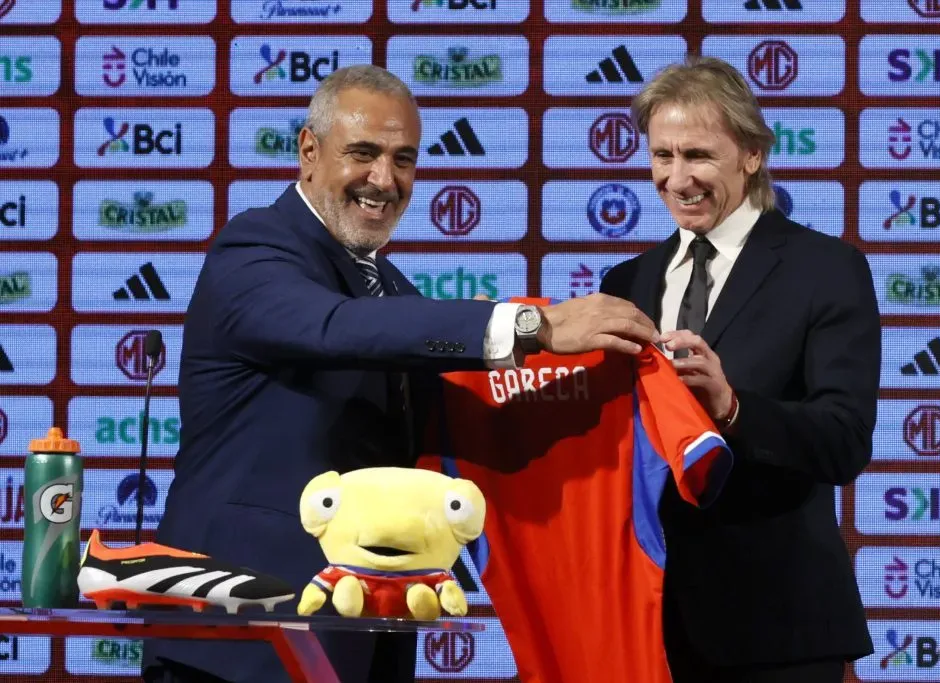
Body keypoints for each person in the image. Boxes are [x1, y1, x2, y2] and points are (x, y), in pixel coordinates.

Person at [141, 64, 658, 683]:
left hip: (360, 638)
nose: (383, 180)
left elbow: (459, 423)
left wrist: (604, 405)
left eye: (403, 159)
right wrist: (534, 328)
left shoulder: (389, 286)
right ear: (309, 149)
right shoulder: (254, 249)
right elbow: (333, 327)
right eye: (363, 153)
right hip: (239, 637)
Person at [599, 55, 881, 682]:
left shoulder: (827, 268)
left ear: (751, 154)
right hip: (646, 624)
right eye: (661, 157)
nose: (677, 179)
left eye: (697, 155)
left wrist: (732, 407)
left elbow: (843, 441)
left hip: (778, 626)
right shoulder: (625, 281)